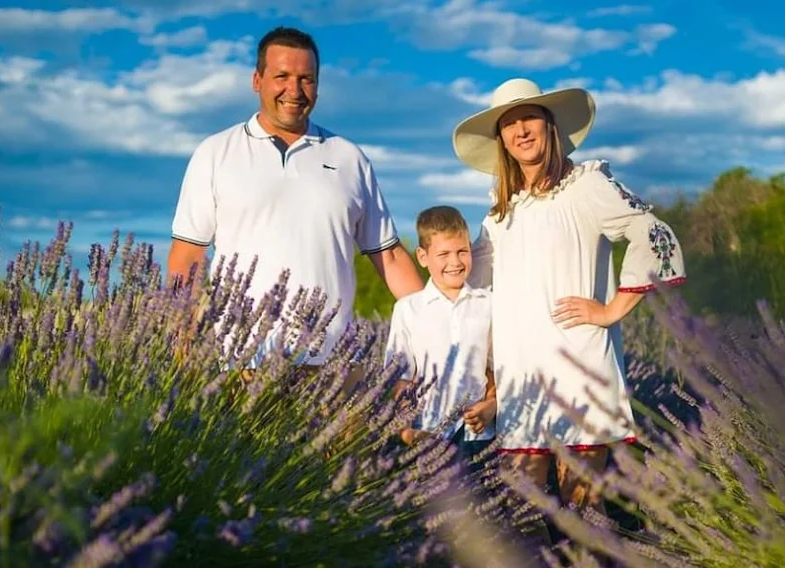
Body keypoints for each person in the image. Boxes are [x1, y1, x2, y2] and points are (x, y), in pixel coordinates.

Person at [452, 77, 686, 510]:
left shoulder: (586, 186)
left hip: (578, 365)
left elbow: (654, 233)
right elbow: (473, 286)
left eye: (530, 119)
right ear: (501, 139)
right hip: (520, 374)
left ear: (550, 126)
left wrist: (612, 310)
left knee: (582, 511)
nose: (521, 130)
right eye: (510, 124)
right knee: (527, 509)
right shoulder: (500, 213)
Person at [167, 26, 423, 370]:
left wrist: (436, 322)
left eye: (307, 79)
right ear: (257, 80)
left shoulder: (349, 157)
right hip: (240, 363)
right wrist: (181, 344)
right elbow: (188, 257)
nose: (295, 90)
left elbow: (389, 256)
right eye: (282, 76)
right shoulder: (215, 153)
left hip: (331, 367)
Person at [384, 205, 496, 471]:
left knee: (480, 509)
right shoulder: (408, 310)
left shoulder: (489, 303)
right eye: (443, 254)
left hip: (477, 435)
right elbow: (398, 377)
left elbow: (498, 368)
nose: (455, 262)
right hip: (426, 433)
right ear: (422, 256)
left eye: (462, 251)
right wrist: (407, 432)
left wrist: (491, 406)